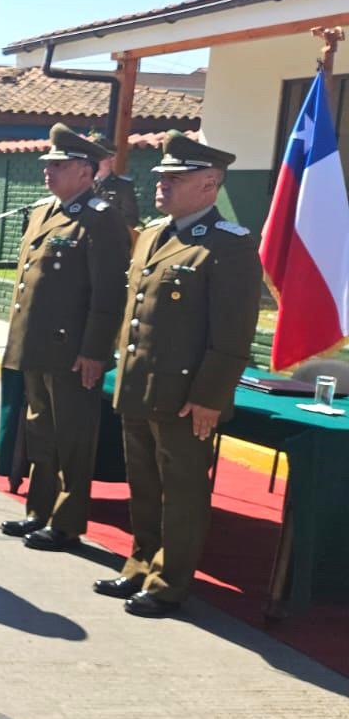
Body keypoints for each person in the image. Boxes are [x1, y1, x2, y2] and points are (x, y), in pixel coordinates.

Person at [97, 131, 262, 617]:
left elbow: (232, 332)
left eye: (175, 177)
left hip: (186, 395)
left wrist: (210, 396)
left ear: (210, 184)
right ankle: (140, 565)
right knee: (144, 484)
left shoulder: (228, 245)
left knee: (182, 492)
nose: (162, 184)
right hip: (140, 386)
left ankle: (169, 583)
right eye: (161, 176)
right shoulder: (152, 235)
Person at [0, 125, 131, 551]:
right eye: (48, 164)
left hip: (72, 351)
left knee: (73, 438)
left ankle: (67, 522)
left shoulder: (101, 217)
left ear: (85, 172)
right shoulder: (44, 211)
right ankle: (39, 511)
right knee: (41, 431)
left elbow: (109, 292)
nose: (48, 171)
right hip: (36, 345)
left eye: (58, 165)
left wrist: (94, 351)